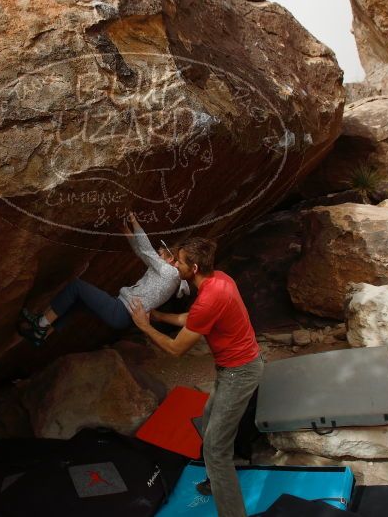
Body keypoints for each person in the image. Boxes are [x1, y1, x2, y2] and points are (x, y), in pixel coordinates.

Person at [128, 237, 263, 517]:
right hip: (234, 368)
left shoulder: (210, 298)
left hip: (240, 373)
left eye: (179, 261)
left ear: (195, 267)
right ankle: (217, 479)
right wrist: (160, 317)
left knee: (215, 449)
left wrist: (144, 326)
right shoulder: (219, 280)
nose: (174, 264)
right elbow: (193, 318)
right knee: (207, 421)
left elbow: (175, 349)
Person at [18, 213, 185, 346]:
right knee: (77, 302)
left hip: (120, 310)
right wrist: (126, 230)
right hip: (122, 313)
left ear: (170, 259)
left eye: (161, 253)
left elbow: (147, 249)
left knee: (76, 287)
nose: (158, 254)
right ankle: (41, 335)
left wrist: (135, 221)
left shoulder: (169, 273)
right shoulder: (165, 275)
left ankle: (40, 324)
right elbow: (141, 252)